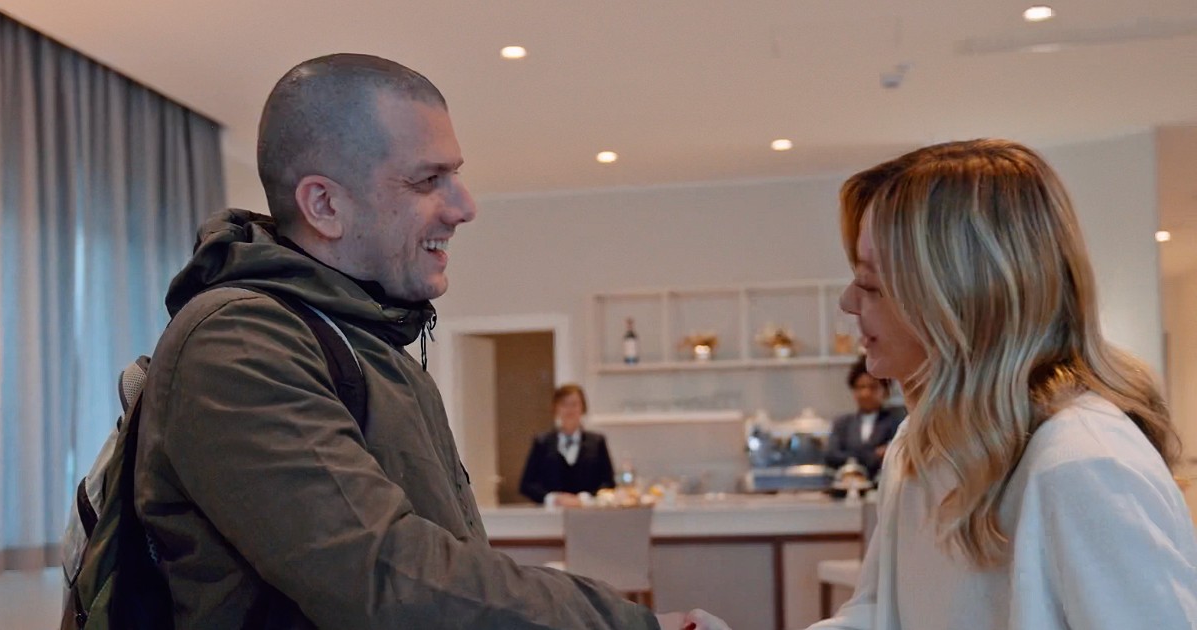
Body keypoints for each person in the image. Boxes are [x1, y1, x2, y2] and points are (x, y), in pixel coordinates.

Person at [134, 54, 721, 630]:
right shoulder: (238, 342)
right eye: (427, 180)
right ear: (325, 205)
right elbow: (388, 576)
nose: (465, 207)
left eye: (455, 175)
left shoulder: (365, 340)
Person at [810, 139, 1197, 630]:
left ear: (962, 299)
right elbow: (879, 616)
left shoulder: (1084, 462)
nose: (848, 301)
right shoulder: (918, 446)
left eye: (871, 284)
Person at [520, 384, 616, 506]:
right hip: (551, 513)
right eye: (564, 404)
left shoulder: (597, 443)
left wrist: (584, 498)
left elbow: (608, 482)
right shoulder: (542, 443)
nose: (569, 410)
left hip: (588, 512)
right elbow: (527, 485)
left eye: (574, 404)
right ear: (556, 408)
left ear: (583, 408)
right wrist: (552, 498)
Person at [825, 357, 903, 479]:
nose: (866, 393)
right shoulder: (842, 423)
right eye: (860, 387)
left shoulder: (897, 423)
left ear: (885, 391)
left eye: (873, 387)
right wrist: (873, 456)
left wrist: (852, 457)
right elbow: (831, 456)